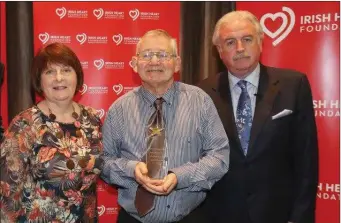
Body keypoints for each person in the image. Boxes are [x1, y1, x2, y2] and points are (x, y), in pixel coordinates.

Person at [197, 10, 319, 223]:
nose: (240, 49)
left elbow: (306, 161)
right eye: (230, 42)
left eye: (247, 39)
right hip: (220, 215)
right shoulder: (201, 93)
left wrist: (300, 218)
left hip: (278, 214)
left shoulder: (293, 85)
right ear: (219, 50)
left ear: (260, 42)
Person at [101, 29, 229, 223]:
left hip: (191, 217)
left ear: (177, 63)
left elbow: (219, 157)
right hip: (133, 219)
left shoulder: (200, 101)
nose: (154, 61)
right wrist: (131, 169)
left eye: (162, 55)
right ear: (135, 64)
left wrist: (180, 176)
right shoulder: (119, 109)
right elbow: (103, 162)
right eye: (146, 55)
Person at [0, 42, 103, 222]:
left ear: (77, 76)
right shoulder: (24, 125)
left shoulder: (92, 120)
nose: (58, 78)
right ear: (39, 80)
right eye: (49, 72)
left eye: (66, 70)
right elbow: (7, 195)